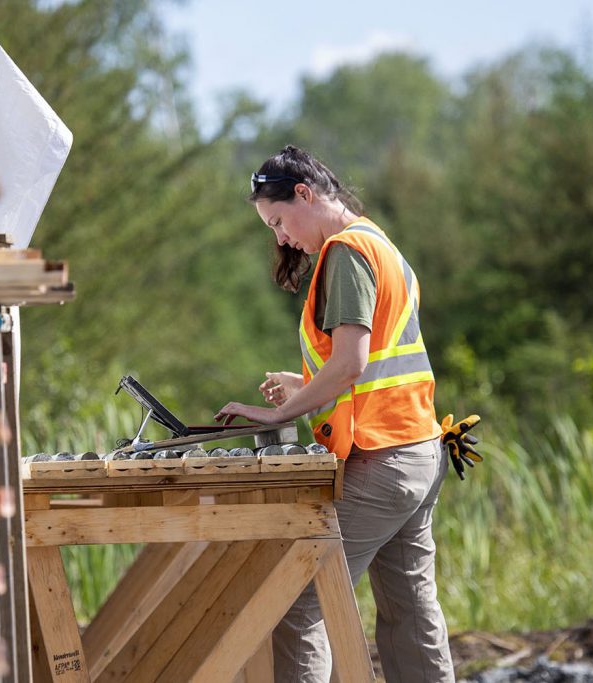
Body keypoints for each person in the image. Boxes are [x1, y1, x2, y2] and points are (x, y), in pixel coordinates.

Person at [214, 145, 455, 682]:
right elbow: (371, 373)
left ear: (304, 194)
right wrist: (305, 386)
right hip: (418, 450)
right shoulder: (378, 242)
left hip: (382, 461)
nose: (280, 238)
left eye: (278, 222)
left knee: (296, 601)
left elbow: (350, 363)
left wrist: (277, 415)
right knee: (412, 615)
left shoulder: (345, 252)